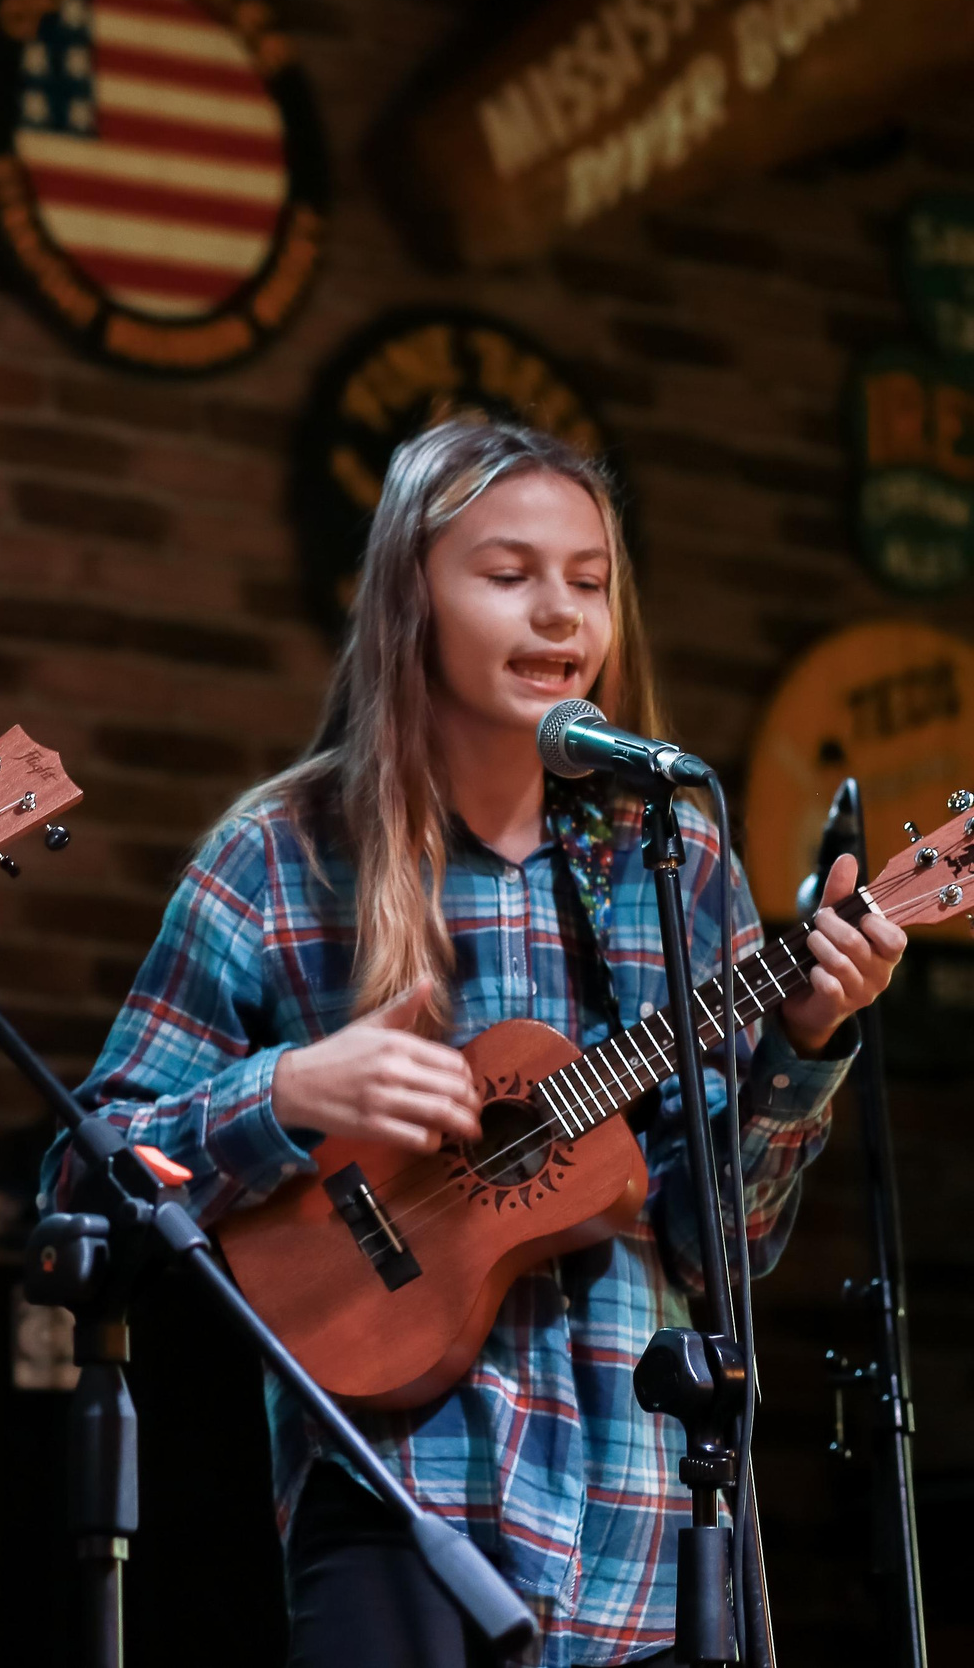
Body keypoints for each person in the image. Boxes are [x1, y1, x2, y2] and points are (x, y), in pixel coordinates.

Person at [48, 418, 905, 1667]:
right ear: (411, 596)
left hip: (648, 1525)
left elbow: (725, 1240)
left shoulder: (673, 857)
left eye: (588, 582)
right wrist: (284, 1090)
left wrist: (807, 1042)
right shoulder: (280, 858)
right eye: (508, 576)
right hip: (399, 1504)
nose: (556, 614)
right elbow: (86, 1176)